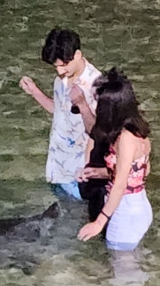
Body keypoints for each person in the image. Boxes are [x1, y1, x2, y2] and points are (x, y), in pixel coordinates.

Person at [18, 28, 101, 201]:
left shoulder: (97, 85)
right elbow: (58, 111)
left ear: (77, 55)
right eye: (56, 66)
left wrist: (83, 104)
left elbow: (100, 133)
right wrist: (34, 91)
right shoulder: (61, 80)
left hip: (79, 172)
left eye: (63, 65)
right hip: (57, 165)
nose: (59, 71)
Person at [77, 74, 153, 250]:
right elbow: (143, 171)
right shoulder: (138, 129)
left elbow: (120, 184)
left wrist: (99, 222)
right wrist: (99, 172)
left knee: (122, 273)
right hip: (138, 206)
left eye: (99, 104)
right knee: (130, 269)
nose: (96, 109)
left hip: (126, 212)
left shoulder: (125, 139)